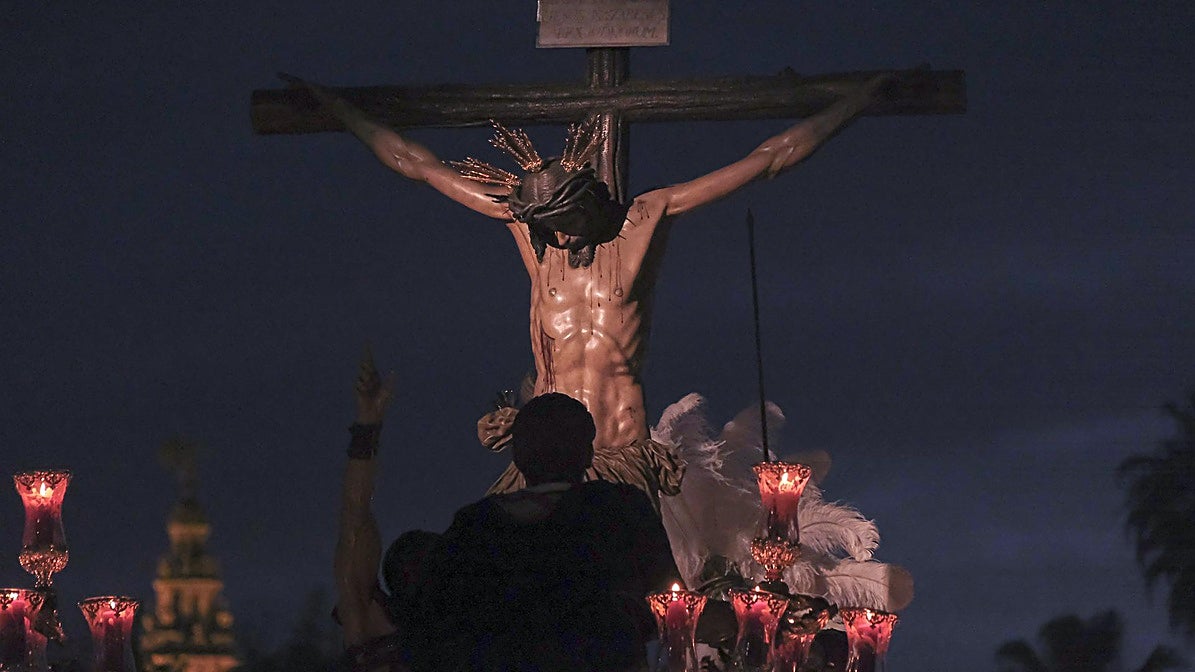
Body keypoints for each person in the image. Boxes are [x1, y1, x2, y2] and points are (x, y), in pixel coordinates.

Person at [290, 73, 895, 505]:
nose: (550, 236)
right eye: (542, 225)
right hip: (540, 457)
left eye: (559, 224)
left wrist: (858, 101)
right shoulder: (529, 235)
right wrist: (337, 107)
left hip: (619, 453)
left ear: (584, 210)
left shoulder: (642, 224)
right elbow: (416, 164)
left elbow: (771, 157)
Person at [335, 351, 681, 671]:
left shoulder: (476, 529)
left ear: (517, 456)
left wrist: (368, 427)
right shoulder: (619, 510)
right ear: (588, 454)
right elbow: (669, 609)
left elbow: (356, 521)